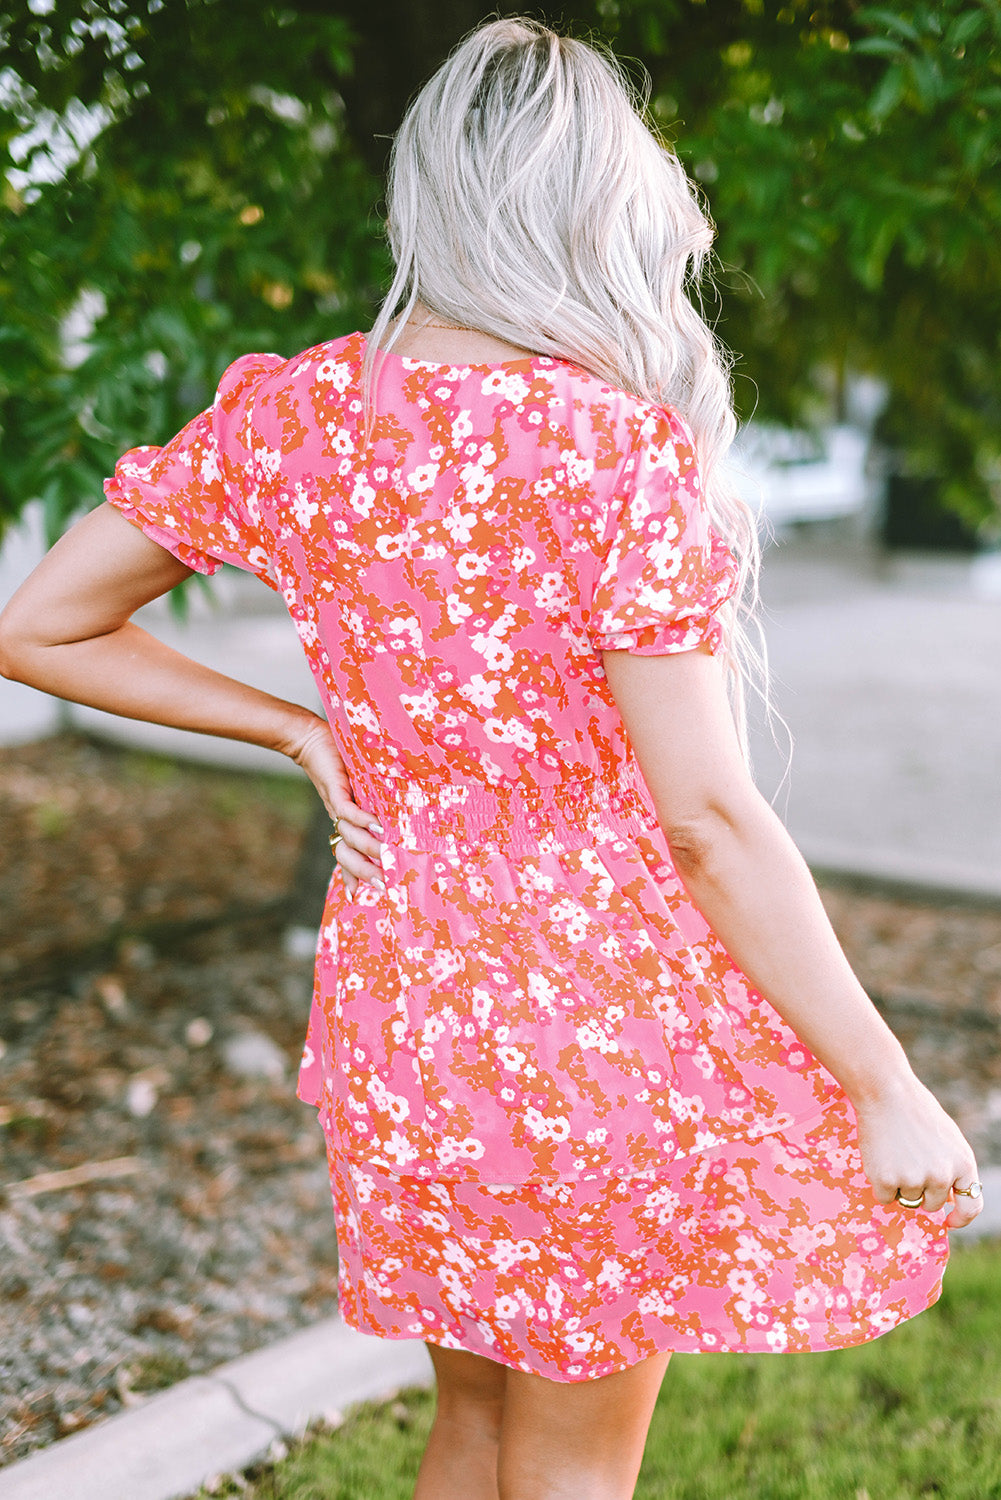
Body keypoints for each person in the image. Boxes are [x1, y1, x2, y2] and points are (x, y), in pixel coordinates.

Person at [0, 16, 984, 1500]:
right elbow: (708, 818)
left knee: (471, 1424)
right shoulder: (608, 452)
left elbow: (45, 623)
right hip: (597, 1012)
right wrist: (882, 1076)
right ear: (595, 206)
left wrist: (295, 729)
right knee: (574, 1465)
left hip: (410, 994)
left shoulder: (303, 414)